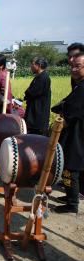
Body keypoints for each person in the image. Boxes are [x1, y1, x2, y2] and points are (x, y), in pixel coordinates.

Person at [52, 53, 84, 213]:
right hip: (74, 132)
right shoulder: (78, 85)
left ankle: (72, 203)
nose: (73, 69)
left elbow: (75, 110)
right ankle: (71, 196)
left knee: (71, 167)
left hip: (77, 134)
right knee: (69, 165)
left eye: (78, 66)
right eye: (72, 66)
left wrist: (63, 121)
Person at [24, 57, 51, 135]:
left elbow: (31, 92)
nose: (31, 67)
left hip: (37, 115)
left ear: (38, 65)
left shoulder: (43, 78)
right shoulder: (40, 77)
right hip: (34, 112)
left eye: (32, 64)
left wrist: (27, 93)